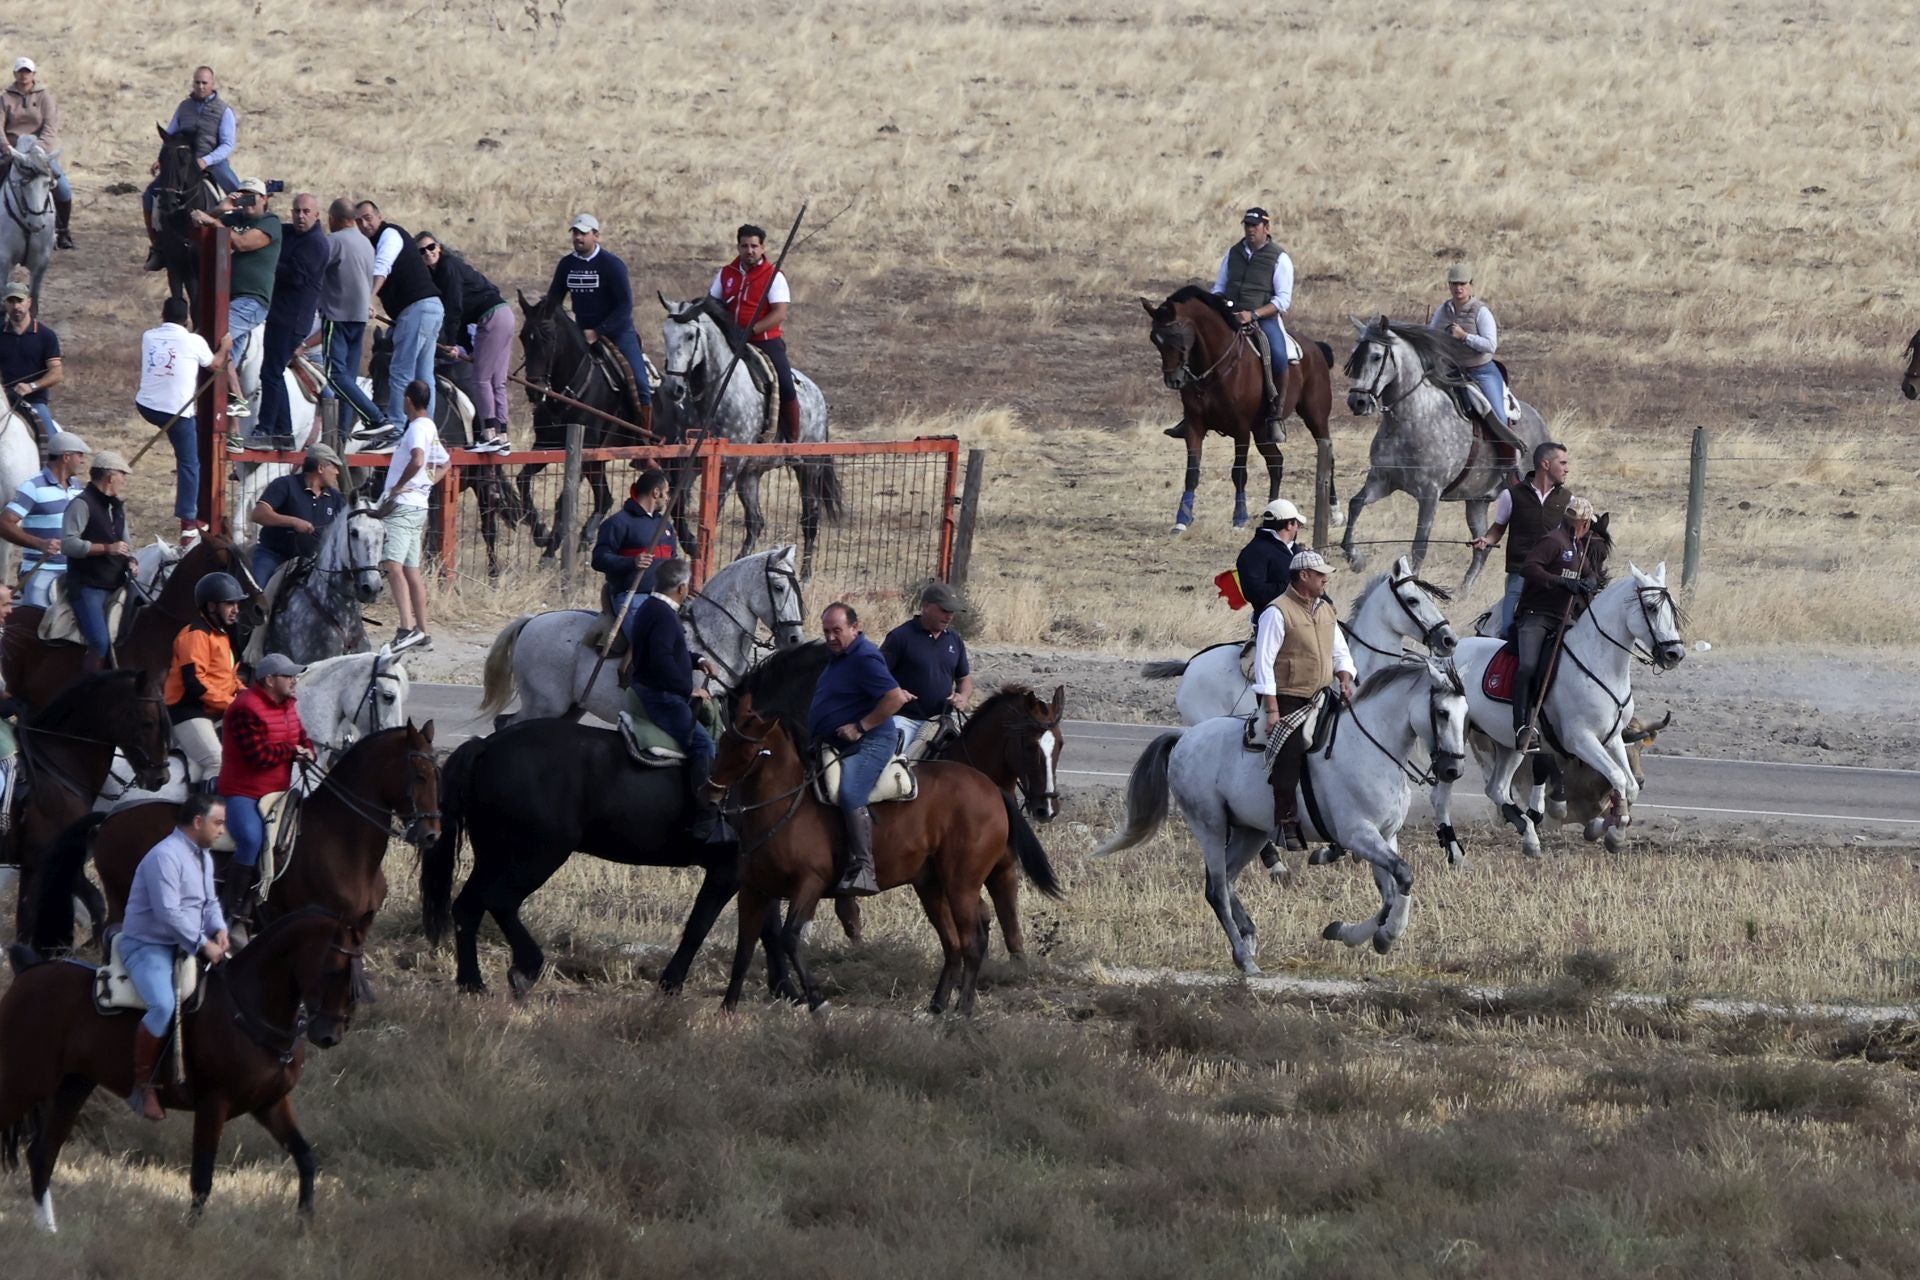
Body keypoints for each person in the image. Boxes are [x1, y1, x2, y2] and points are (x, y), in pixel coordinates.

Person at [119, 791, 230, 1121]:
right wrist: (203, 944)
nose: (223, 830)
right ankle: (142, 1085)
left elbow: (209, 903)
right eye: (218, 823)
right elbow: (169, 913)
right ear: (198, 822)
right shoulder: (164, 857)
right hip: (148, 945)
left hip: (186, 944)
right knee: (164, 1005)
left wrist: (220, 929)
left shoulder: (203, 856)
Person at [1253, 549, 1357, 852]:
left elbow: (1340, 651)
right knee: (1291, 748)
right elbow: (1264, 662)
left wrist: (1345, 676)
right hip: (1289, 698)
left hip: (1322, 694)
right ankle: (1285, 820)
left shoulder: (1325, 609)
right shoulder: (1277, 611)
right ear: (1304, 576)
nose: (1326, 578)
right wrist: (1272, 709)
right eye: (1320, 574)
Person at [807, 602, 912, 898]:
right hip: (835, 742)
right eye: (826, 631)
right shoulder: (838, 656)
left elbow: (894, 698)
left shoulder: (865, 657)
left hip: (872, 741)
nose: (830, 637)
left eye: (837, 630)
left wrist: (861, 727)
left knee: (851, 793)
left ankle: (865, 869)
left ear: (855, 628)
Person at [624, 557, 729, 842]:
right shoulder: (663, 615)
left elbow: (672, 653)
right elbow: (661, 661)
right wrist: (688, 691)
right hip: (662, 698)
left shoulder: (652, 607)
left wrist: (699, 660)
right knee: (703, 744)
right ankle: (705, 817)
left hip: (656, 690)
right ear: (682, 588)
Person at [217, 652, 312, 918]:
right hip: (243, 791)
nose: (294, 681)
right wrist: (293, 752)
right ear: (269, 679)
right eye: (288, 676)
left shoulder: (289, 704)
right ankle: (232, 905)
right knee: (251, 839)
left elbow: (301, 737)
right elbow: (259, 757)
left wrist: (308, 750)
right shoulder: (245, 708)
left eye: (295, 675)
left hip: (278, 790)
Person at [1512, 495, 1604, 753]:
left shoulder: (1577, 546)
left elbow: (1590, 573)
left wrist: (1590, 583)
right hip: (1536, 615)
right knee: (1528, 666)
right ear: (1584, 522)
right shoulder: (1553, 541)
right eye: (1588, 523)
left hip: (1563, 618)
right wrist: (1561, 582)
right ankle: (1521, 726)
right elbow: (1529, 568)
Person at [543, 213, 652, 430]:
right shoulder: (566, 265)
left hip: (617, 332)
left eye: (583, 233)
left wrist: (598, 331)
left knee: (640, 383)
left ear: (596, 236)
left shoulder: (612, 265)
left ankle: (645, 436)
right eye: (575, 233)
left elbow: (625, 306)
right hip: (582, 331)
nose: (578, 238)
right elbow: (553, 301)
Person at [136, 296, 230, 544]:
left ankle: (189, 519)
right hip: (176, 412)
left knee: (185, 454)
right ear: (187, 320)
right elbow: (216, 364)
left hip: (145, 406)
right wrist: (225, 347)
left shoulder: (148, 336)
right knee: (189, 463)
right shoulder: (195, 341)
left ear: (162, 316)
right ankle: (189, 523)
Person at [190, 179, 282, 421]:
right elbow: (199, 228)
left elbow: (242, 243)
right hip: (230, 298)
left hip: (253, 299)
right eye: (244, 196)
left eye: (253, 196)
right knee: (224, 355)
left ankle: (238, 398)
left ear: (265, 199)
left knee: (212, 333)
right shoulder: (233, 219)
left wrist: (215, 222)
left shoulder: (270, 223)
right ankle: (234, 422)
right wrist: (221, 208)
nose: (248, 201)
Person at [418, 232, 513, 452]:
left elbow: (455, 310)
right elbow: (461, 313)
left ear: (439, 247)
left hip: (490, 317)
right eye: (421, 251)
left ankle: (489, 433)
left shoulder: (447, 268)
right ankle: (502, 435)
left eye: (431, 247)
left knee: (481, 379)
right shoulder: (446, 270)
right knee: (497, 382)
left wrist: (452, 343)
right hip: (505, 314)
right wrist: (469, 349)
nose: (428, 253)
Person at [310, 197, 392, 444]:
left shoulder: (333, 241)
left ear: (332, 219)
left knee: (335, 376)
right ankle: (342, 437)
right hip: (359, 320)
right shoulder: (366, 244)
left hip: (337, 317)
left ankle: (376, 418)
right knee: (348, 378)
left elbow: (313, 272)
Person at [355, 200, 444, 426]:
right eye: (359, 221)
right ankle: (426, 427)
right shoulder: (375, 242)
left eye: (368, 217)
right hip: (430, 307)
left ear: (379, 215)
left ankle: (395, 427)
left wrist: (368, 298)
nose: (364, 224)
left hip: (416, 308)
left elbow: (382, 266)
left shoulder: (390, 234)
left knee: (400, 370)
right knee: (424, 374)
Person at [251, 193, 329, 449]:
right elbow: (269, 227)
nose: (300, 216)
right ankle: (283, 434)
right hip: (279, 315)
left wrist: (268, 263)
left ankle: (267, 430)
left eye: (306, 211)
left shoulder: (316, 244)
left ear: (317, 215)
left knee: (271, 372)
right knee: (273, 372)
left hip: (292, 320)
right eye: (296, 211)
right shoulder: (289, 233)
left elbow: (295, 276)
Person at [1472, 440, 1572, 640]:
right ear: (1545, 464)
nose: (1567, 469)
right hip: (1519, 574)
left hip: (1552, 576)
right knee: (1509, 630)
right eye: (1562, 463)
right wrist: (1486, 539)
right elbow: (1498, 528)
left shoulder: (1568, 500)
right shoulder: (1511, 496)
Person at [143, 66, 238, 270]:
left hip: (213, 163)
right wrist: (162, 160)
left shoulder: (224, 111)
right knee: (149, 194)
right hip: (182, 165)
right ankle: (158, 247)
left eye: (205, 83)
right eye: (197, 82)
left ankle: (241, 242)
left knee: (240, 194)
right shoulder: (184, 107)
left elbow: (228, 144)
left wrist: (207, 160)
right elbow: (170, 134)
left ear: (213, 84)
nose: (201, 86)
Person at [1211, 206, 1295, 433]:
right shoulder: (1233, 252)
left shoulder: (1279, 258)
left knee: (1279, 355)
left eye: (1255, 226)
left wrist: (1254, 314)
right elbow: (1219, 286)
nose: (1250, 230)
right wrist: (1216, 303)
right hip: (1230, 314)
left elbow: (1283, 300)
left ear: (1266, 228)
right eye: (1247, 225)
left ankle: (1276, 414)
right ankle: (1194, 412)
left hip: (1263, 318)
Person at [710, 223, 797, 441]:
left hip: (765, 342)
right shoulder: (726, 274)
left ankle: (794, 440)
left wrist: (751, 331)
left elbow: (779, 313)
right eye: (744, 246)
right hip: (730, 342)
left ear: (763, 248)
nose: (749, 251)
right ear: (738, 247)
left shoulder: (774, 276)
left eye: (754, 246)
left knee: (786, 386)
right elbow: (712, 303)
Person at [375, 380, 443, 652]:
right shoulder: (430, 427)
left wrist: (400, 485)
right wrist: (427, 483)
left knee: (392, 566)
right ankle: (423, 631)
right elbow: (445, 463)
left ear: (408, 400)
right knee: (411, 570)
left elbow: (417, 459)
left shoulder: (416, 428)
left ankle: (405, 628)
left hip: (403, 506)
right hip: (419, 506)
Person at [164, 571, 245, 787]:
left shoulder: (223, 634)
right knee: (217, 762)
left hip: (214, 709)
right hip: (189, 711)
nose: (236, 610)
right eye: (229, 604)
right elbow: (195, 684)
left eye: (237, 604)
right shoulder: (195, 635)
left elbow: (227, 675)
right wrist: (234, 704)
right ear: (211, 607)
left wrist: (247, 693)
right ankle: (210, 818)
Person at [880, 582, 973, 757]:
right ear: (926, 607)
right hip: (905, 718)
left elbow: (964, 678)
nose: (949, 616)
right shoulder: (900, 637)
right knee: (891, 762)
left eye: (952, 612)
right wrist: (896, 692)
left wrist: (963, 697)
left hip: (942, 721)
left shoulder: (955, 640)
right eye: (944, 610)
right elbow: (876, 675)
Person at [60, 450, 134, 667]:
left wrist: (132, 561)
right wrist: (106, 548)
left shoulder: (117, 507)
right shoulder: (81, 504)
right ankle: (90, 690)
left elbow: (127, 545)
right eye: (122, 475)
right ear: (111, 477)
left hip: (119, 584)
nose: (124, 481)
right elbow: (68, 544)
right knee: (100, 642)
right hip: (88, 586)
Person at [1, 429, 87, 608]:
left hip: (75, 571)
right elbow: (4, 523)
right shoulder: (33, 486)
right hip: (41, 571)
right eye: (80, 455)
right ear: (66, 457)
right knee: (37, 627)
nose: (83, 460)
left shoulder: (77, 487)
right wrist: (40, 544)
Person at [1, 58, 72, 249]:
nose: (24, 75)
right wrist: (6, 147)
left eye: (27, 72)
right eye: (20, 72)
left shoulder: (45, 97)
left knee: (63, 188)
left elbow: (50, 127)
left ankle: (63, 232)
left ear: (34, 74)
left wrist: (39, 150)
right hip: (12, 150)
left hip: (39, 151)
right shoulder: (4, 98)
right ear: (15, 74)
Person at [1430, 262, 1509, 434]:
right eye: (1454, 284)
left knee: (1499, 417)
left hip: (1481, 371)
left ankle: (1509, 459)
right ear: (1449, 286)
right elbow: (1432, 337)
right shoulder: (1442, 310)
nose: (1458, 288)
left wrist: (1465, 337)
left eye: (1462, 284)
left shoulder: (1481, 312)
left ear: (1471, 286)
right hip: (1450, 372)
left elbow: (1490, 345)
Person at [250, 444, 345, 585]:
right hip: (274, 556)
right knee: (258, 593)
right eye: (334, 467)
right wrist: (294, 522)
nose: (337, 472)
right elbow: (258, 514)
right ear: (320, 468)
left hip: (313, 562)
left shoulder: (335, 497)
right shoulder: (285, 485)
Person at [591, 466, 677, 615]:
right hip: (633, 598)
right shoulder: (618, 523)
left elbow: (673, 559)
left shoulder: (665, 525)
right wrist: (632, 562)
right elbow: (599, 559)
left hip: (665, 598)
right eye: (667, 492)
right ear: (656, 492)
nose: (668, 497)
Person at [0, 282, 61, 441]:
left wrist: (31, 386)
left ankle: (49, 465)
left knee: (53, 444)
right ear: (5, 303)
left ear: (29, 302)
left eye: (20, 301)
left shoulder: (46, 335)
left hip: (33, 401)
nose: (16, 306)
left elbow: (56, 373)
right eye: (11, 301)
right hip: (3, 400)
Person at [1235, 498, 1302, 618]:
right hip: (1273, 621)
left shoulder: (1294, 549)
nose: (1298, 528)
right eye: (1297, 524)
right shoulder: (1253, 553)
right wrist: (1296, 586)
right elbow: (1255, 593)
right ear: (1289, 525)